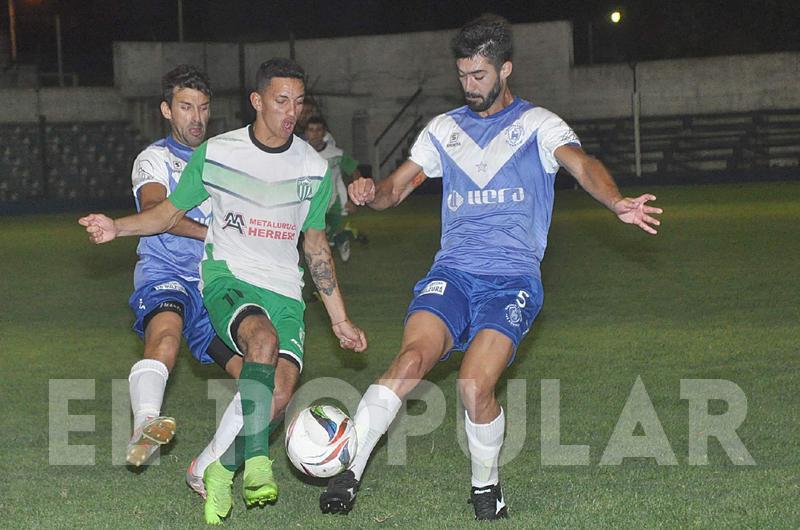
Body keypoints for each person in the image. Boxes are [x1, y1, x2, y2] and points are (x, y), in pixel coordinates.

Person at [319, 14, 662, 521]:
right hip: (453, 274)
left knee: (474, 386)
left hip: (513, 280)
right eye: (462, 75)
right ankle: (348, 471)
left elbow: (582, 165)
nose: (469, 85)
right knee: (411, 359)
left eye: (478, 75)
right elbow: (396, 189)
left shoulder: (538, 125)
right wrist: (372, 192)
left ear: (505, 69)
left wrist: (615, 202)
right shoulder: (444, 131)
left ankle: (486, 486)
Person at [80, 57, 367, 524]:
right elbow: (165, 212)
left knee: (274, 392)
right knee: (227, 340)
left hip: (284, 290)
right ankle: (245, 459)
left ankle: (211, 468)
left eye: (298, 101)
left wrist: (339, 319)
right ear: (257, 101)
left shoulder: (312, 168)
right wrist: (118, 226)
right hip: (217, 278)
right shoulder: (212, 154)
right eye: (280, 100)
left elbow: (315, 246)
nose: (291, 111)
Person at [122, 64, 241, 467]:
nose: (197, 117)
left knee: (260, 375)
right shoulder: (153, 159)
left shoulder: (224, 158)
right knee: (167, 338)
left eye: (203, 108)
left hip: (213, 282)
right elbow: (156, 209)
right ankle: (145, 424)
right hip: (166, 274)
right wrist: (210, 234)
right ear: (167, 110)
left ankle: (211, 465)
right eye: (186, 107)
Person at [305, 115, 365, 262]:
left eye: (318, 130)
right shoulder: (301, 153)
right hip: (309, 204)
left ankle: (341, 237)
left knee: (323, 238)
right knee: (317, 239)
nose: (315, 133)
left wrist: (354, 199)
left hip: (334, 202)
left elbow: (355, 171)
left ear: (324, 132)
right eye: (311, 130)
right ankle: (342, 236)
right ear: (306, 132)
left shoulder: (336, 153)